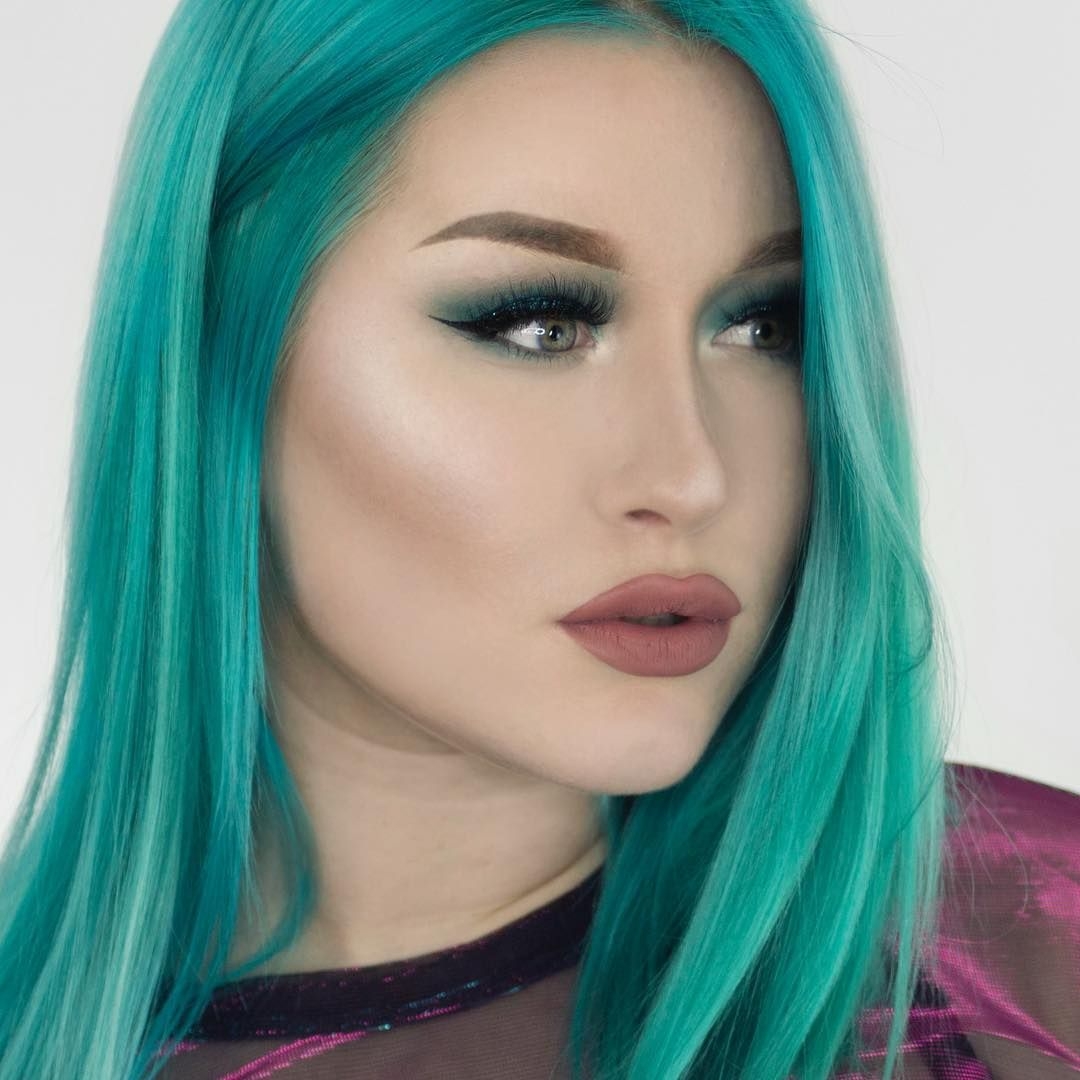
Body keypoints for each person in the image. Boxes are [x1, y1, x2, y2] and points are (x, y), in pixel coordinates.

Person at [1, 0, 1077, 1078]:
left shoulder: (1026, 956)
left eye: (763, 325)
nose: (693, 474)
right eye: (539, 324)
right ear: (216, 346)